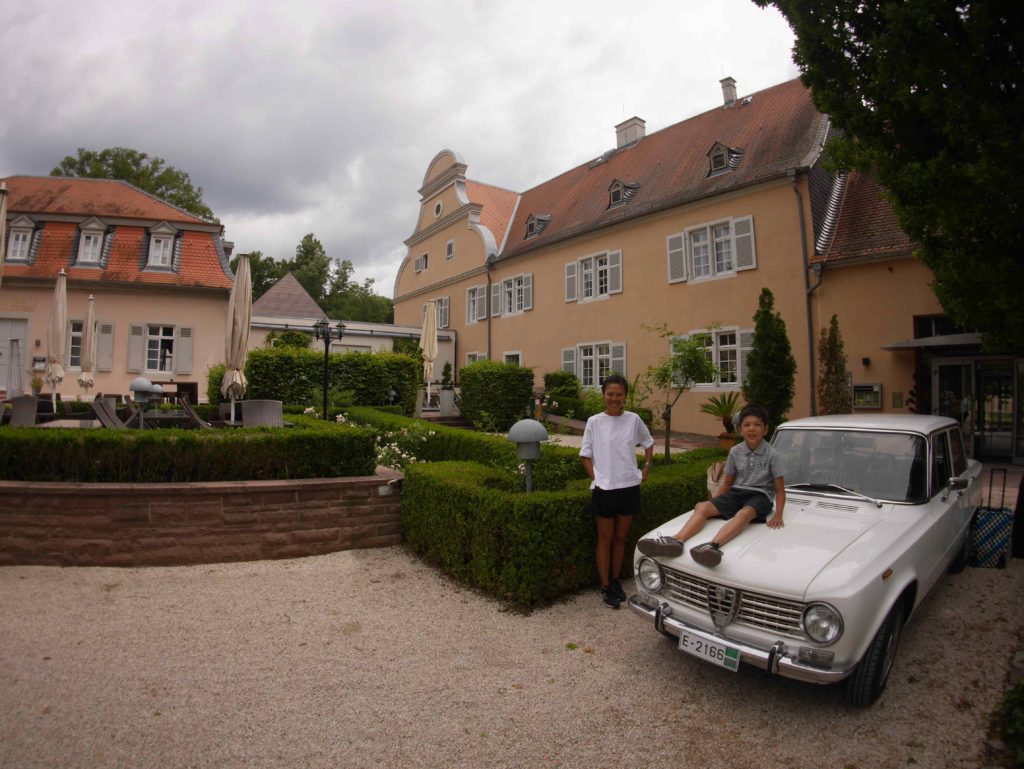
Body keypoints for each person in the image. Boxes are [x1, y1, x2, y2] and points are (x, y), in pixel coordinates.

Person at [637, 403, 784, 567]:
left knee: (744, 514)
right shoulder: (735, 451)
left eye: (757, 425)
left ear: (765, 430)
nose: (751, 429)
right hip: (737, 493)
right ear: (740, 430)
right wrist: (714, 504)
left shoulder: (772, 454)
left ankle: (712, 546)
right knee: (702, 507)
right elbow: (728, 482)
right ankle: (676, 541)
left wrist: (778, 515)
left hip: (760, 497)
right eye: (747, 425)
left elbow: (779, 490)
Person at [580, 374, 655, 609]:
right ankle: (604, 585)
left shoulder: (633, 420)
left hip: (629, 487)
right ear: (604, 395)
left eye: (619, 394)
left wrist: (646, 466)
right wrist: (598, 479)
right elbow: (585, 455)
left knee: (621, 539)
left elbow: (649, 442)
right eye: (610, 394)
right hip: (605, 489)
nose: (614, 398)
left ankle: (614, 580)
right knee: (605, 539)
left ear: (625, 396)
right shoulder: (594, 421)